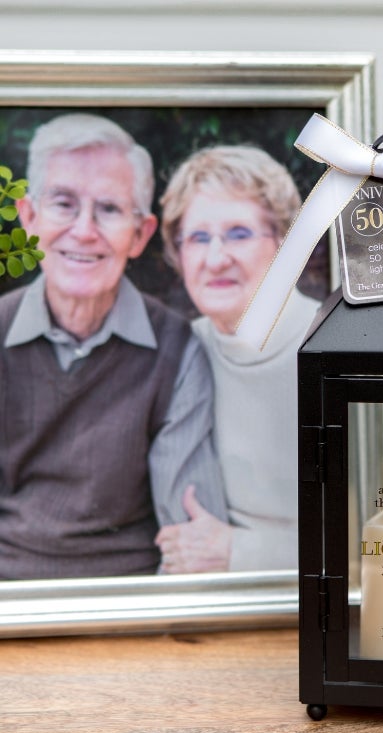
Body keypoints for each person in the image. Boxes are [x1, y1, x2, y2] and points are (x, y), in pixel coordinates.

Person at [0, 113, 227, 580]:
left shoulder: (177, 350)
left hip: (131, 604)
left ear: (140, 233)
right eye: (63, 204)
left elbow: (187, 533)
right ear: (29, 217)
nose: (84, 230)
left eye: (108, 209)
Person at [156, 145, 319, 573]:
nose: (215, 258)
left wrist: (238, 552)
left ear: (285, 245)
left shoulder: (335, 349)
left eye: (239, 234)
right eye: (197, 238)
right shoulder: (177, 351)